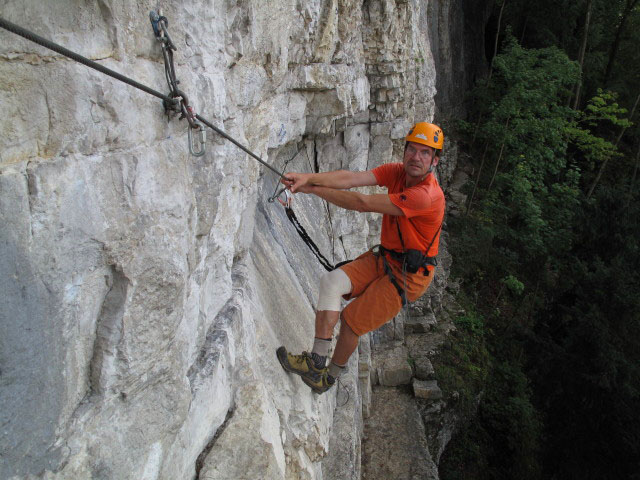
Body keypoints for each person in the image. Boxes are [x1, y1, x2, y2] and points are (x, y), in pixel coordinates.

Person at [276, 122, 446, 393]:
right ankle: (316, 361)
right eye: (412, 150)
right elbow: (352, 178)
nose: (416, 157)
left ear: (434, 161)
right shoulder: (398, 173)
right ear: (404, 152)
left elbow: (362, 203)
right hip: (387, 258)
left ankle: (328, 379)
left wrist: (311, 188)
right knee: (332, 282)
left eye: (425, 153)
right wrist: (309, 177)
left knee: (352, 321)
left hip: (409, 277)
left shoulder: (426, 196)